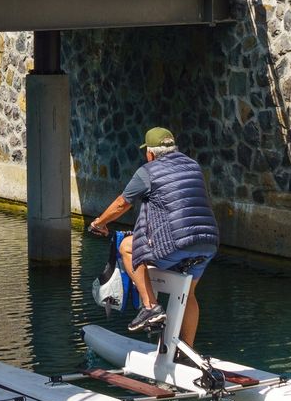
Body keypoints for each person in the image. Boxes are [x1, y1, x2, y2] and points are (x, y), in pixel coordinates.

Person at [87, 126, 219, 348]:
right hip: (208, 242)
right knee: (189, 294)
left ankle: (150, 307)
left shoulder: (147, 171)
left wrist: (99, 223)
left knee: (128, 248)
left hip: (177, 243)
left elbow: (122, 203)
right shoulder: (193, 166)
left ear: (149, 153)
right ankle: (185, 350)